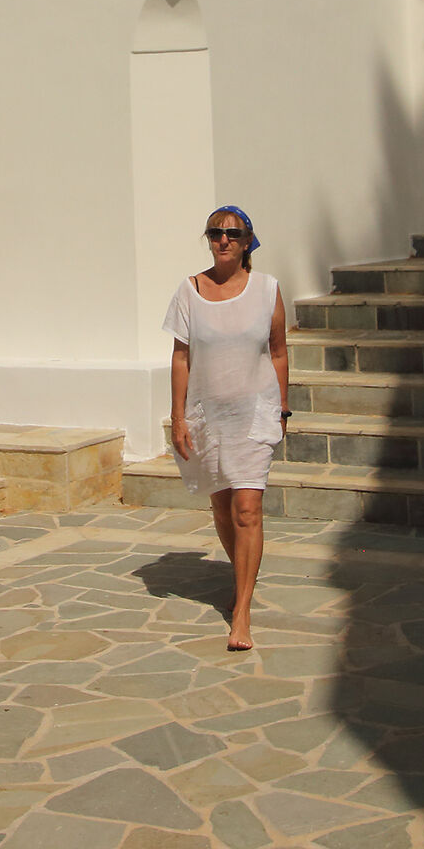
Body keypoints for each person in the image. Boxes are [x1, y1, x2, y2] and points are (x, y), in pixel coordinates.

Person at [165, 204, 290, 651]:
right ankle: (242, 576)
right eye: (215, 233)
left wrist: (283, 408)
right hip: (208, 418)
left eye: (232, 235)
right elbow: (181, 357)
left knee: (247, 509)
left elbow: (278, 351)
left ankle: (241, 610)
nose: (223, 241)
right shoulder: (190, 290)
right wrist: (178, 417)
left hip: (254, 413)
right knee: (222, 510)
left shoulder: (267, 289)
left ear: (246, 243)